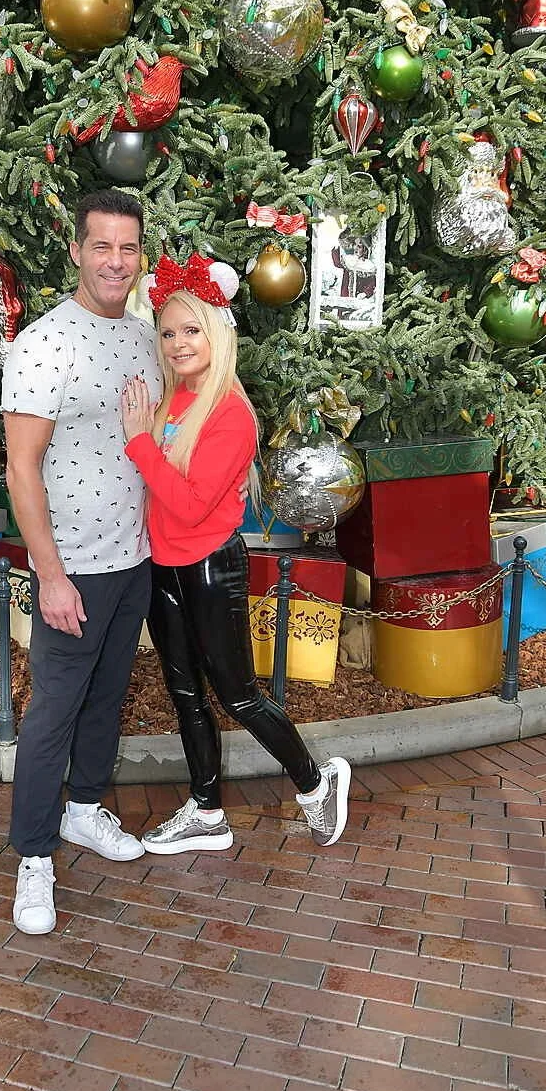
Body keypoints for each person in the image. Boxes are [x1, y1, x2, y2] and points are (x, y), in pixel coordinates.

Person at [120, 254, 351, 855]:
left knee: (239, 695)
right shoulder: (172, 401)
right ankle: (206, 811)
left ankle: (315, 783)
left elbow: (190, 506)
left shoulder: (230, 414)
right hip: (163, 567)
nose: (178, 343)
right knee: (184, 694)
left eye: (191, 330)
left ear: (217, 334)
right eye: (168, 332)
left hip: (209, 567)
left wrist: (139, 443)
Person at [0, 188, 163, 936]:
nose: (115, 261)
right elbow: (21, 468)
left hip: (134, 558)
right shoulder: (44, 343)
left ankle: (84, 809)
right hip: (74, 566)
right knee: (53, 712)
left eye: (127, 248)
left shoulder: (143, 337)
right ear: (76, 251)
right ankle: (33, 857)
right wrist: (52, 573)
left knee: (106, 696)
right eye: (102, 246)